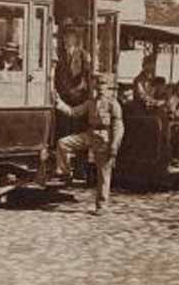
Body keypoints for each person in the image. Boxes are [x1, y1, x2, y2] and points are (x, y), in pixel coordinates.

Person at [55, 74, 125, 214]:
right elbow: (73, 112)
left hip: (105, 139)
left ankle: (101, 205)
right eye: (98, 85)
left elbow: (119, 127)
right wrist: (59, 103)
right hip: (90, 135)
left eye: (103, 85)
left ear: (109, 88)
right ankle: (65, 172)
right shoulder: (90, 103)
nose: (100, 88)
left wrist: (114, 145)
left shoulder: (113, 104)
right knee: (63, 143)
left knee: (103, 173)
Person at [53, 25, 92, 138]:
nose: (68, 39)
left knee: (76, 125)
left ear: (75, 39)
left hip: (78, 96)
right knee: (63, 125)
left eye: (71, 36)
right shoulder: (59, 54)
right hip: (63, 96)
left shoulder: (83, 55)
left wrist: (80, 87)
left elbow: (87, 75)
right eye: (66, 36)